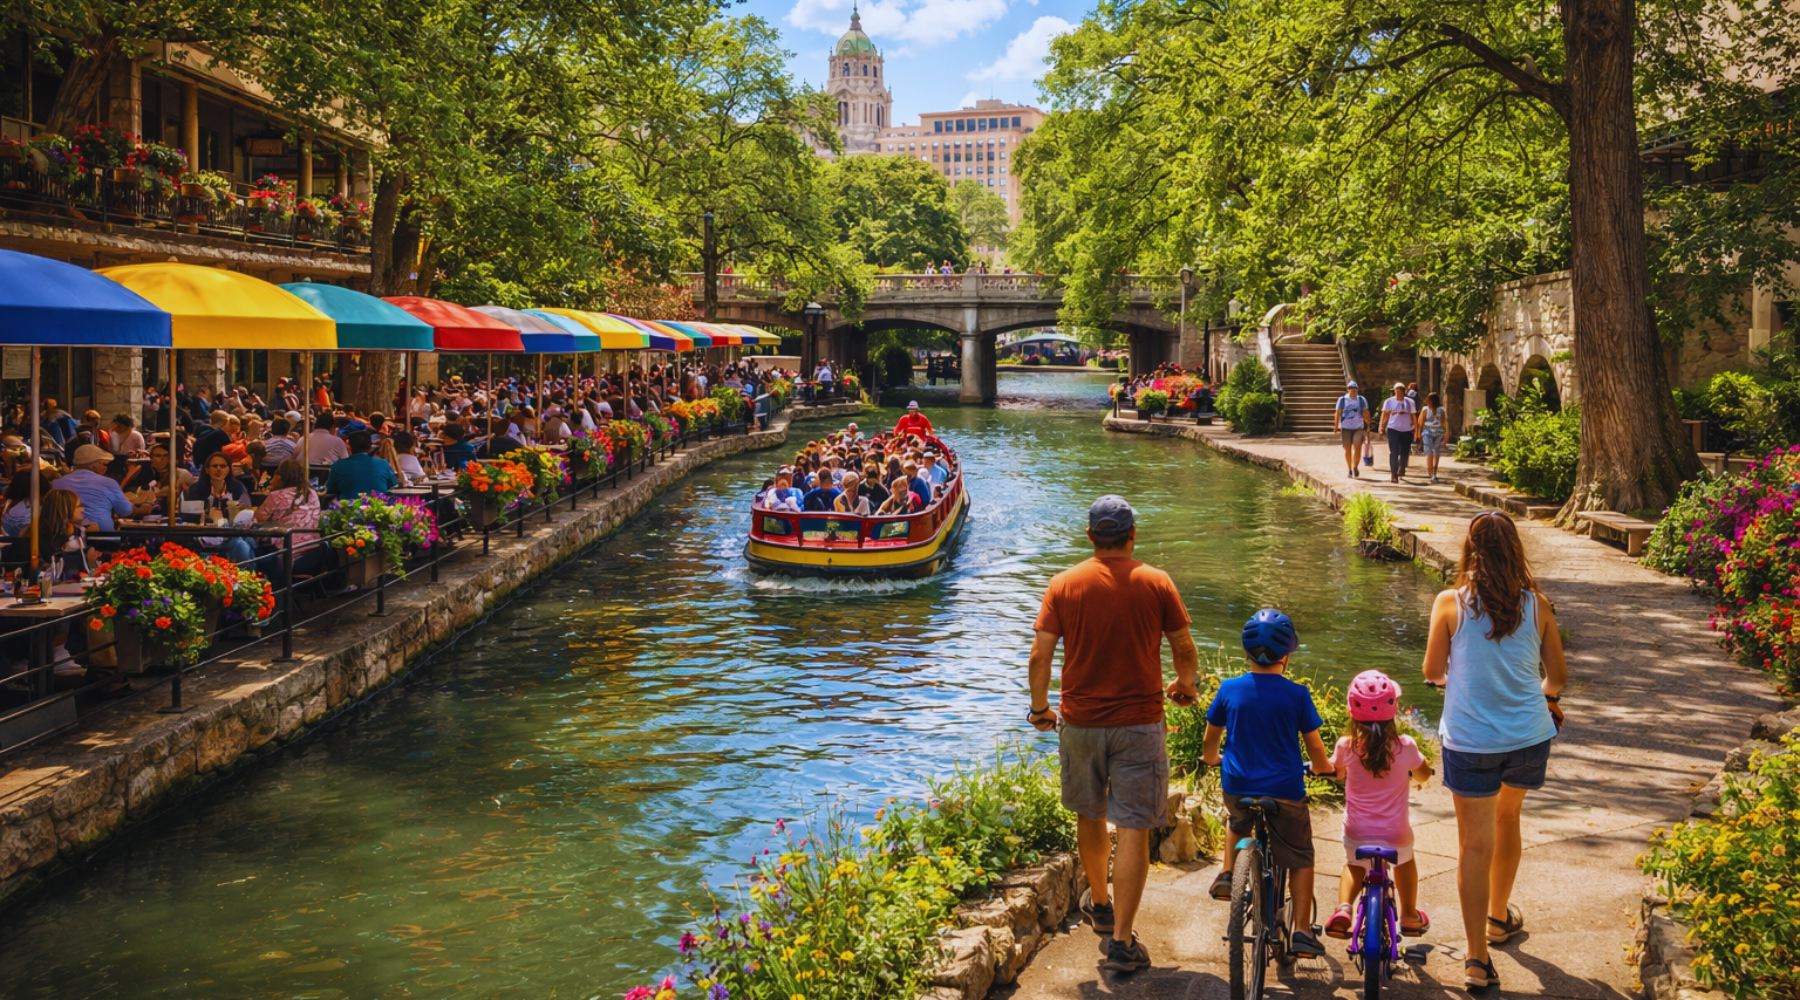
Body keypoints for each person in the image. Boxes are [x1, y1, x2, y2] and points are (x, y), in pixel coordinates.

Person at [1028, 495, 1199, 974]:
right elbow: (1184, 647)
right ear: (1132, 535)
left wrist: (1040, 709)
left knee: (1089, 812)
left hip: (1080, 723)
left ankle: (1099, 905)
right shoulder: (1156, 581)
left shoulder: (1063, 585)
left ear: (1089, 537)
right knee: (1134, 828)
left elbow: (1040, 656)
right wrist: (1185, 688)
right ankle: (1122, 941)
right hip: (1140, 724)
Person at [1422, 511, 1567, 992]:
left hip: (1470, 741)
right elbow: (1558, 679)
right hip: (1528, 735)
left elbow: (1433, 669)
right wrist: (1542, 696)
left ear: (1470, 551)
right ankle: (1499, 917)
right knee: (1508, 822)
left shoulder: (1450, 603)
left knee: (1473, 844)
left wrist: (1456, 680)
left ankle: (1477, 959)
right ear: (1516, 551)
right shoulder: (1537, 605)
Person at [1200, 608, 1333, 959]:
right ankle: (1302, 930)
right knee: (1301, 853)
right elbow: (1314, 745)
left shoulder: (1229, 689)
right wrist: (1324, 768)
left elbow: (1210, 738)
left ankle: (1229, 873)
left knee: (1239, 820)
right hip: (1286, 789)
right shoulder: (1297, 694)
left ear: (1246, 653)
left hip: (1238, 784)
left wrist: (1213, 758)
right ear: (1287, 655)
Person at [1322, 670, 1434, 941]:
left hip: (1357, 831)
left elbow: (1336, 772)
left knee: (1353, 864)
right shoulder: (1405, 746)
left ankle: (1344, 909)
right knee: (1405, 861)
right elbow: (1423, 774)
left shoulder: (1346, 746)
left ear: (1351, 710)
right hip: (1396, 833)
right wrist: (1421, 777)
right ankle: (1408, 915)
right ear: (1393, 710)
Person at [253, 459, 327, 578]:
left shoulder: (276, 495)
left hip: (289, 553)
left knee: (253, 551)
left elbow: (257, 519)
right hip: (315, 550)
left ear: (281, 476)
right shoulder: (312, 493)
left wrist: (272, 486)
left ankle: (271, 588)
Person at [57, 444, 145, 532]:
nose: (106, 467)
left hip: (69, 538)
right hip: (103, 538)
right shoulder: (108, 483)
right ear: (93, 466)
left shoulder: (58, 483)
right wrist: (139, 509)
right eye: (104, 463)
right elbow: (125, 511)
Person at [324, 431, 398, 501]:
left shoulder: (338, 465)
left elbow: (330, 489)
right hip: (378, 509)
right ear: (370, 447)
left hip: (348, 509)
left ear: (349, 447)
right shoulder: (384, 463)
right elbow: (393, 484)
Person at [1379, 382, 1419, 483]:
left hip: (1406, 429)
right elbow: (1384, 414)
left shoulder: (1410, 402)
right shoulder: (1389, 401)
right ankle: (1393, 473)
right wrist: (1381, 426)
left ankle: (1402, 466)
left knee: (1405, 451)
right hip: (1393, 428)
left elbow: (1414, 416)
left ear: (1403, 392)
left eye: (1400, 391)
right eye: (1396, 391)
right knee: (1394, 451)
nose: (1398, 393)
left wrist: (1416, 430)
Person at [1333, 382, 1370, 479]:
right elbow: (1338, 412)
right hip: (1346, 427)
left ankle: (1355, 467)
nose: (1353, 391)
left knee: (1357, 447)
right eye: (1351, 389)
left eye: (1355, 389)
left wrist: (1368, 426)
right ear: (1348, 389)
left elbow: (1366, 412)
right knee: (1347, 448)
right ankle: (1349, 468)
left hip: (1358, 427)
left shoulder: (1361, 400)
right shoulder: (1342, 400)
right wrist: (1336, 426)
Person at [1420, 391, 1449, 484]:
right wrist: (1418, 432)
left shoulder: (1441, 410)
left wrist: (1446, 434)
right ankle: (1431, 472)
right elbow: (1421, 421)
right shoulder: (1425, 409)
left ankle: (1434, 472)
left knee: (1436, 452)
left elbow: (1444, 422)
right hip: (1427, 432)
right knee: (1430, 453)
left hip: (1438, 433)